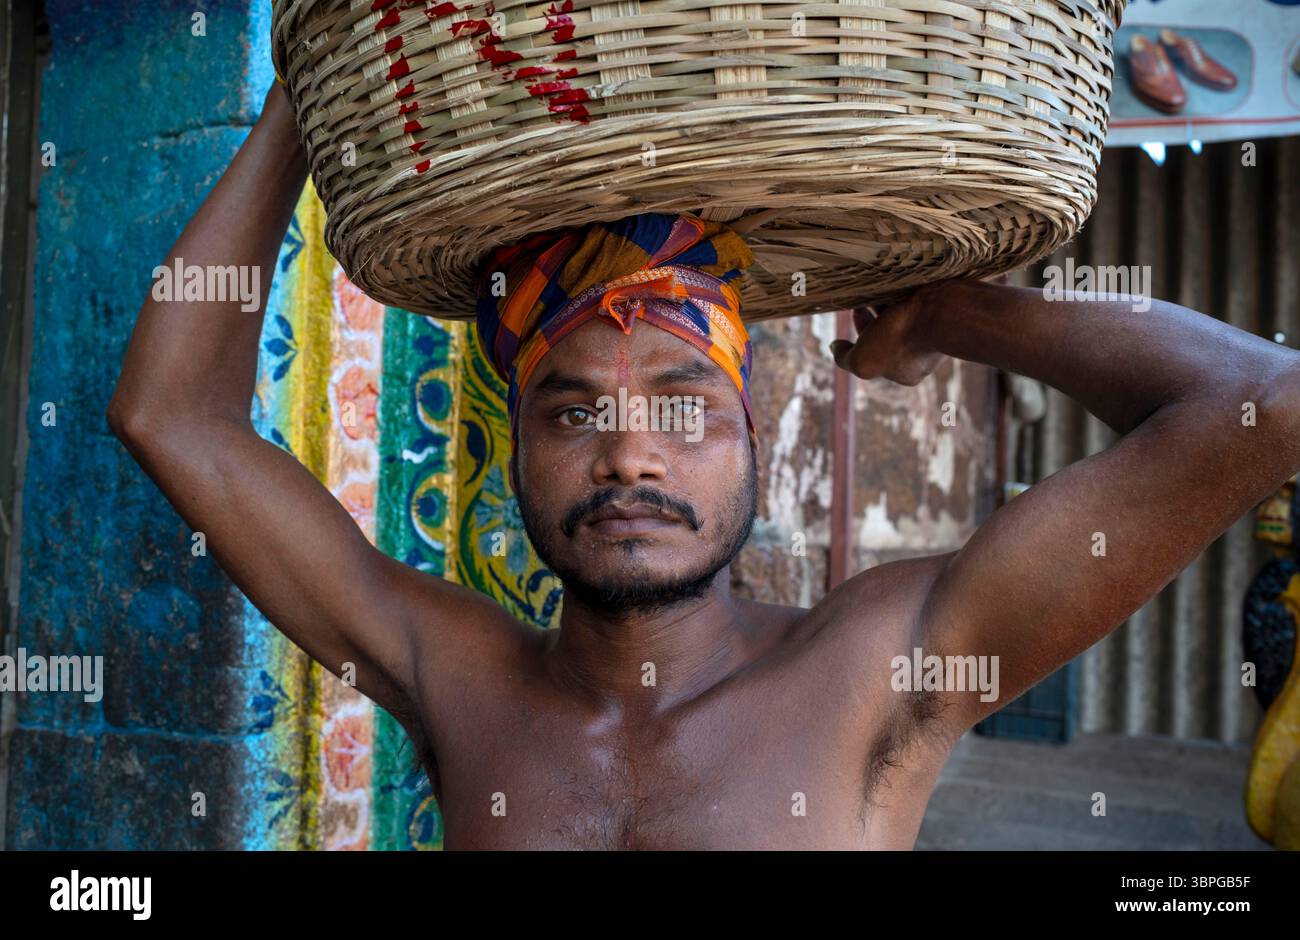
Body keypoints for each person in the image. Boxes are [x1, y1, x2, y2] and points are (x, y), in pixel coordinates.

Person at [108, 84, 1300, 849]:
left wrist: (958, 315)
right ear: (514, 447)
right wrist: (300, 110)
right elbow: (170, 413)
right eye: (571, 414)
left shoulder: (886, 665)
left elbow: (1268, 406)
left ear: (757, 444)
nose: (629, 450)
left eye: (685, 406)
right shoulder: (452, 674)